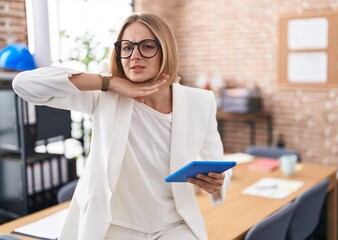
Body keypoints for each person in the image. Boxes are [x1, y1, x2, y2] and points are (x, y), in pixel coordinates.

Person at [12, 12, 232, 240]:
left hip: (174, 225)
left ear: (166, 50)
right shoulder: (104, 97)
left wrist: (217, 182)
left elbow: (218, 161)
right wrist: (107, 82)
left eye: (147, 46)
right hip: (115, 228)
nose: (134, 55)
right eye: (126, 48)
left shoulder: (201, 102)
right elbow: (24, 85)